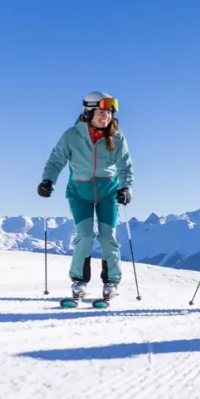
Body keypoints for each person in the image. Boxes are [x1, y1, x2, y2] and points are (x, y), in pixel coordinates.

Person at [39, 92, 134, 301]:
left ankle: (111, 282)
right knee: (85, 236)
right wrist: (48, 180)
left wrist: (126, 188)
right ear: (89, 111)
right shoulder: (72, 135)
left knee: (108, 237)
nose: (106, 116)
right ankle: (79, 281)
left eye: (109, 113)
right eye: (102, 112)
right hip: (79, 193)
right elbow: (56, 159)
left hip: (108, 193)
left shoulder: (116, 137)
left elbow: (125, 166)